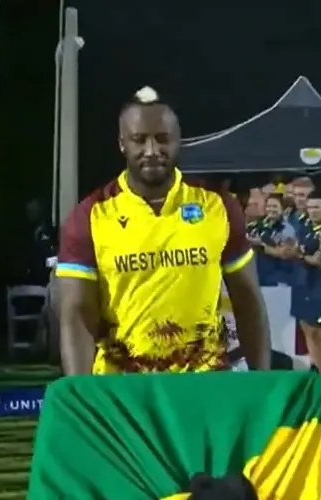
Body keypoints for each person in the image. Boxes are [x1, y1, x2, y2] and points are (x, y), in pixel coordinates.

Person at [55, 87, 270, 374]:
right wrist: (80, 390)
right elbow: (77, 314)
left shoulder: (217, 206)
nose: (152, 150)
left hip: (204, 382)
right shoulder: (90, 216)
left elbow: (248, 301)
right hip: (125, 385)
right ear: (122, 144)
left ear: (178, 140)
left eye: (162, 139)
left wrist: (262, 380)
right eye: (139, 140)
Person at [291, 196, 321, 378]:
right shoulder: (304, 228)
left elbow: (320, 260)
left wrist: (299, 255)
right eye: (310, 207)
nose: (312, 211)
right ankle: (320, 377)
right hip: (302, 284)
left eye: (317, 207)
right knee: (309, 332)